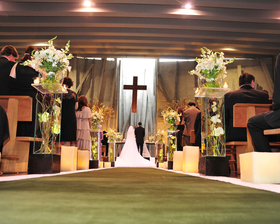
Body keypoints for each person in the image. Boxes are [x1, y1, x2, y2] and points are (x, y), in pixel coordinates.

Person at [247, 54, 280, 152]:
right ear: (252, 83)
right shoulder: (263, 94)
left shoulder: (230, 96)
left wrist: (276, 106)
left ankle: (267, 161)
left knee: (253, 123)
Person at [224, 72, 269, 142]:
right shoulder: (264, 95)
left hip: (235, 135)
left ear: (239, 84)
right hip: (260, 135)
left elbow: (225, 117)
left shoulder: (229, 96)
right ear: (252, 82)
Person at [7, 46, 39, 137]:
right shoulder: (38, 68)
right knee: (30, 124)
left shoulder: (16, 65)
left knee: (17, 123)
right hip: (32, 98)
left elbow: (10, 82)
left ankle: (16, 147)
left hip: (18, 98)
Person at [61, 77, 77, 146]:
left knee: (61, 137)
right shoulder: (73, 94)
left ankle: (60, 154)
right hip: (71, 118)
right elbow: (76, 107)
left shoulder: (60, 93)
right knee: (70, 138)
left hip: (62, 117)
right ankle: (70, 155)